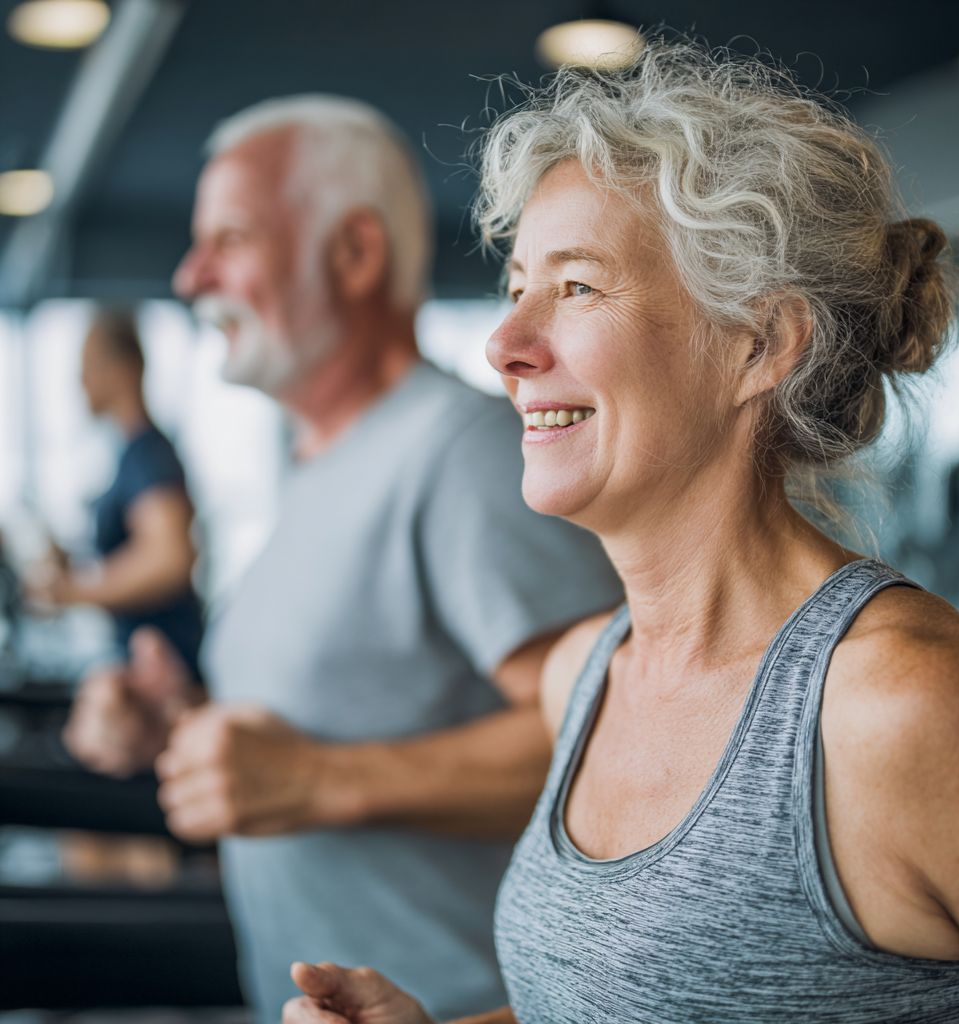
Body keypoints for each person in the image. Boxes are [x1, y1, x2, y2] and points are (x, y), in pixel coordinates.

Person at [282, 41, 959, 1024]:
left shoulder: (899, 703)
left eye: (577, 286)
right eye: (515, 289)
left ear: (758, 344)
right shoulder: (583, 677)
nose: (503, 346)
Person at [62, 96, 624, 1022]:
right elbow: (331, 723)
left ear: (355, 255)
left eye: (230, 238)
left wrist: (320, 780)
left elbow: (607, 741)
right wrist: (182, 728)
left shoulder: (460, 453)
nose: (191, 273)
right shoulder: (315, 461)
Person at [30, 309, 203, 677]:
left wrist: (72, 592)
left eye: (88, 364)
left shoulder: (148, 455)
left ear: (123, 369)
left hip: (168, 668)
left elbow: (168, 558)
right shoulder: (131, 455)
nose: (80, 379)